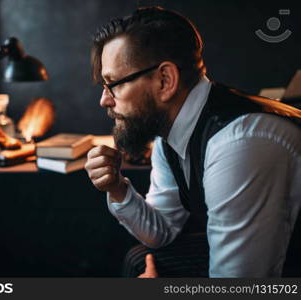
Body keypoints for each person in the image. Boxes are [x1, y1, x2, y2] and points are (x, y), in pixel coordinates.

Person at [84, 6, 301, 277]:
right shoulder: (171, 132)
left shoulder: (240, 143)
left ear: (165, 80)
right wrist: (117, 189)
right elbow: (161, 231)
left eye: (113, 83)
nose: (104, 100)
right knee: (142, 258)